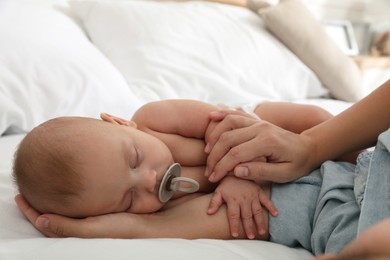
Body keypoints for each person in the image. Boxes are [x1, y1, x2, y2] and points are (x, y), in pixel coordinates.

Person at [14, 99, 331, 240]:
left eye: (134, 159)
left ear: (121, 123)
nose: (149, 181)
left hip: (253, 126)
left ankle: (353, 153)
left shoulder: (155, 119)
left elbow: (227, 125)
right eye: (129, 200)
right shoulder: (163, 209)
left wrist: (238, 174)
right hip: (260, 170)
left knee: (314, 119)